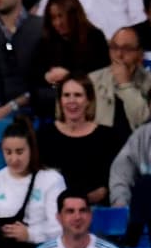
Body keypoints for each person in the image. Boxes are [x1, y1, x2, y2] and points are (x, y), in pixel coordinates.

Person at [0, 118, 65, 248]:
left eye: (20, 151)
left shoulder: (52, 180)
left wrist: (30, 234)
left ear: (31, 149)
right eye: (8, 152)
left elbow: (60, 226)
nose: (14, 159)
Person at [37, 75, 121, 205]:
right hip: (53, 209)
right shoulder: (44, 135)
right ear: (60, 100)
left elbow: (108, 186)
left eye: (78, 95)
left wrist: (82, 202)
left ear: (89, 100)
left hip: (96, 209)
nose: (72, 101)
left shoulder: (108, 137)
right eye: (66, 95)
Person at [30, 0, 109, 118]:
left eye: (61, 16)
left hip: (89, 96)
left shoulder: (95, 38)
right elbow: (33, 73)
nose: (57, 23)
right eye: (53, 18)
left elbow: (101, 75)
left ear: (73, 14)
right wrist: (46, 76)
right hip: (55, 96)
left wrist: (69, 77)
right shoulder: (47, 41)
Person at [89, 27, 151, 139]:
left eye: (127, 49)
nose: (119, 54)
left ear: (140, 55)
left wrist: (125, 85)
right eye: (114, 47)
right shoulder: (93, 80)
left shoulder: (149, 82)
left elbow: (143, 124)